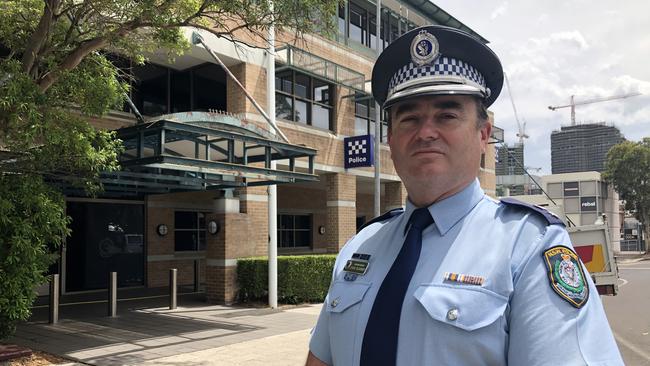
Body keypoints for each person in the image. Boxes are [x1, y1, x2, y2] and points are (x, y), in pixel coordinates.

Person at [306, 25, 623, 366]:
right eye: (409, 118)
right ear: (392, 139)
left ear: (483, 134)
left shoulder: (528, 248)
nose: (426, 132)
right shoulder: (360, 246)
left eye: (447, 115)